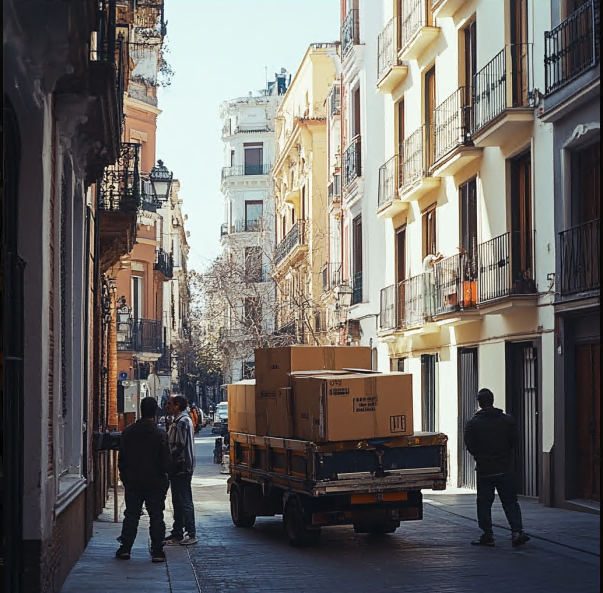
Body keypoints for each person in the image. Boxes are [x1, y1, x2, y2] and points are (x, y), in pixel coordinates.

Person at [464, 388, 530, 548]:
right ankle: (516, 532)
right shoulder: (507, 420)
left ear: (479, 403)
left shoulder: (473, 423)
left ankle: (488, 535)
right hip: (505, 467)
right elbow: (515, 440)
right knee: (510, 502)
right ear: (492, 401)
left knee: (484, 503)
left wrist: (480, 457)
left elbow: (469, 445)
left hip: (485, 469)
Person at [115, 397, 172, 562]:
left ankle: (125, 548)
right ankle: (157, 552)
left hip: (133, 481)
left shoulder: (128, 432)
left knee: (131, 514)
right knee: (156, 516)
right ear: (155, 412)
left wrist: (125, 477)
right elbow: (166, 461)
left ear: (141, 410)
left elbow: (122, 459)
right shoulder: (160, 434)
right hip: (155, 482)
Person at [164, 395, 198, 545]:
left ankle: (190, 533)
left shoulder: (182, 422)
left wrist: (166, 455)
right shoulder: (178, 421)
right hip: (179, 466)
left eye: (169, 404)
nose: (167, 406)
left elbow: (179, 445)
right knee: (177, 500)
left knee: (184, 500)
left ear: (177, 405)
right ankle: (177, 532)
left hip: (182, 467)